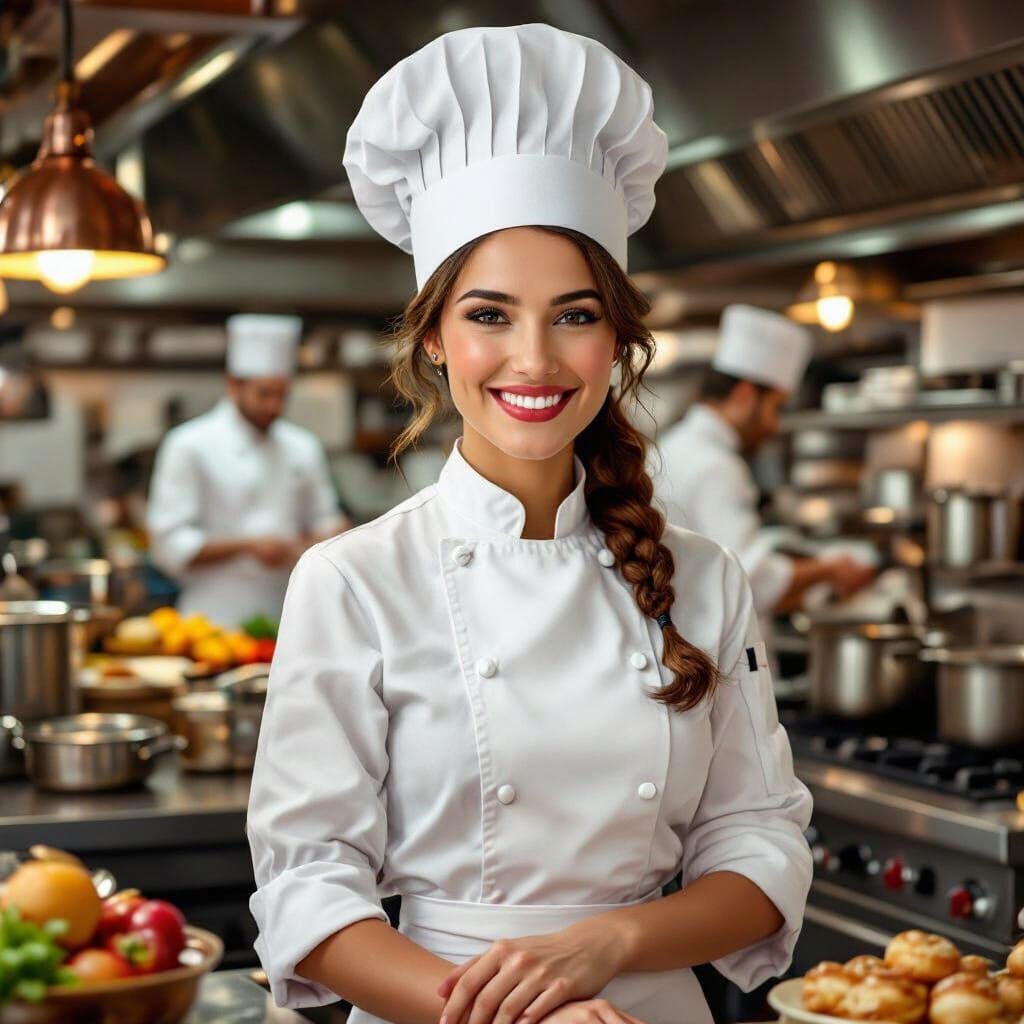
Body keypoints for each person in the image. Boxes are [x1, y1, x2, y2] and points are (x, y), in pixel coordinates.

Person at [247, 24, 812, 1024]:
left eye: (576, 314)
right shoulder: (352, 577)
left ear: (618, 340)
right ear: (434, 337)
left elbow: (760, 846)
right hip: (439, 1008)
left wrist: (614, 940)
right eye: (490, 314)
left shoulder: (707, 575)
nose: (535, 359)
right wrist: (524, 1011)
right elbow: (307, 888)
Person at [651, 305, 876, 633]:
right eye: (776, 407)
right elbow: (750, 580)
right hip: (713, 651)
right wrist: (830, 569)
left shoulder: (675, 445)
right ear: (744, 395)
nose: (775, 425)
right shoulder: (715, 465)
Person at [146, 314, 347, 627]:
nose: (273, 406)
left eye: (281, 394)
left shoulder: (303, 446)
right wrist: (248, 546)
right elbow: (168, 542)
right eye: (263, 394)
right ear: (233, 385)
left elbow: (328, 518)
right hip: (212, 618)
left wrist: (324, 537)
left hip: (291, 613)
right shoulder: (189, 444)